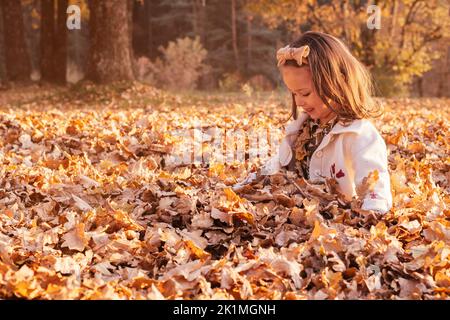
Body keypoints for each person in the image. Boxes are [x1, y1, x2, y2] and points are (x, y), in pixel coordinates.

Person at [234, 31, 392, 214]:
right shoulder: (302, 130)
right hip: (299, 220)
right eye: (294, 93)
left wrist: (370, 217)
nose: (299, 102)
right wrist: (243, 186)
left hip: (335, 227)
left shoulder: (359, 135)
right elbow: (279, 163)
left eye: (305, 93)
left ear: (336, 83)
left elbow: (375, 187)